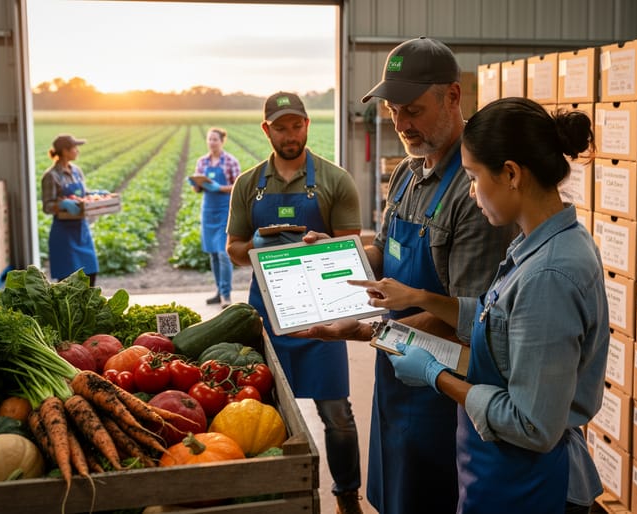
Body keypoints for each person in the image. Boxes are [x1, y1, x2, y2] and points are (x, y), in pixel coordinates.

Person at [334, 98, 609, 513]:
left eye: (474, 177)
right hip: (501, 475)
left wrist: (435, 375)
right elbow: (496, 321)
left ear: (512, 174)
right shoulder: (538, 245)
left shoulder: (549, 275)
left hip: (531, 486)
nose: (470, 191)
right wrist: (418, 299)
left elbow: (530, 425)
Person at [299, 37, 517, 514]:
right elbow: (385, 248)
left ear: (453, 97)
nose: (401, 125)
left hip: (445, 388)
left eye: (413, 110)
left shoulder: (475, 190)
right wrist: (338, 254)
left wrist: (364, 331)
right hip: (395, 367)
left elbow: (468, 316)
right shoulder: (406, 172)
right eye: (394, 111)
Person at [226, 92, 365, 514]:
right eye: (281, 127)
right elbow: (233, 247)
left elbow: (351, 248)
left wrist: (313, 248)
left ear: (307, 125)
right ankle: (279, 498)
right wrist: (258, 246)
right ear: (267, 129)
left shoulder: (334, 180)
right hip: (267, 314)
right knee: (266, 413)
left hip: (322, 310)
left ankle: (346, 496)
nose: (291, 134)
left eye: (297, 125)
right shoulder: (249, 185)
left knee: (336, 412)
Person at [189, 127, 241, 307]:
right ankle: (219, 291)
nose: (212, 142)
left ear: (222, 141)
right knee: (213, 254)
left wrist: (219, 187)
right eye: (209, 139)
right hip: (208, 211)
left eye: (215, 140)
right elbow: (196, 189)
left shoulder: (230, 161)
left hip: (224, 210)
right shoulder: (202, 162)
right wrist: (197, 184)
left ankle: (227, 294)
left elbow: (237, 186)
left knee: (223, 253)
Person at [41, 134, 101, 286]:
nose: (77, 151)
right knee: (69, 283)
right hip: (64, 234)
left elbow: (82, 194)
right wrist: (62, 205)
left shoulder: (76, 171)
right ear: (65, 151)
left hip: (82, 231)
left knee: (91, 274)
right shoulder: (51, 176)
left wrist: (96, 194)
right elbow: (47, 206)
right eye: (75, 148)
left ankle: (88, 309)